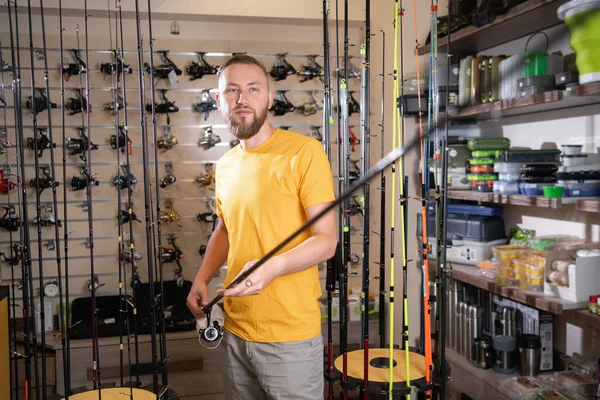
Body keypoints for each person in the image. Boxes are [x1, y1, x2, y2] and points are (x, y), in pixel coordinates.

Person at [186, 54, 338, 400]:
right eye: (233, 91)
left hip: (289, 337)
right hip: (235, 329)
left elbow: (326, 241)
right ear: (218, 100)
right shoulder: (225, 165)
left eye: (253, 89)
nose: (243, 99)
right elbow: (226, 229)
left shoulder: (305, 153)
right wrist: (202, 277)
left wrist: (272, 267)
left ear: (270, 98)